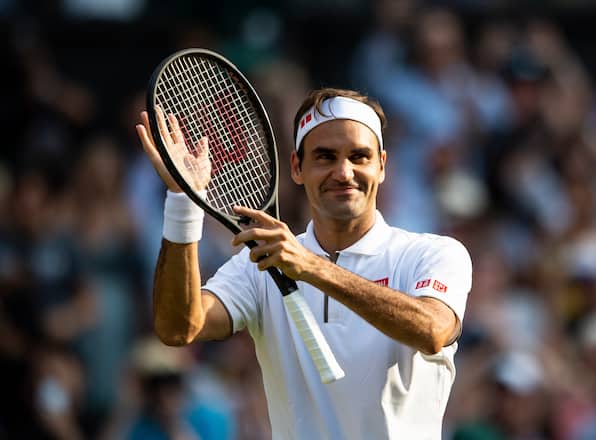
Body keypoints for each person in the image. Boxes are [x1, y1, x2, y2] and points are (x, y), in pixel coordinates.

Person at [135, 87, 472, 438]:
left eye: (359, 156)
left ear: (382, 165)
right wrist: (183, 202)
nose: (344, 172)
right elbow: (178, 327)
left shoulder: (434, 253)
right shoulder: (261, 264)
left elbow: (433, 331)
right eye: (325, 157)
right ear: (297, 167)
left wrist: (313, 267)